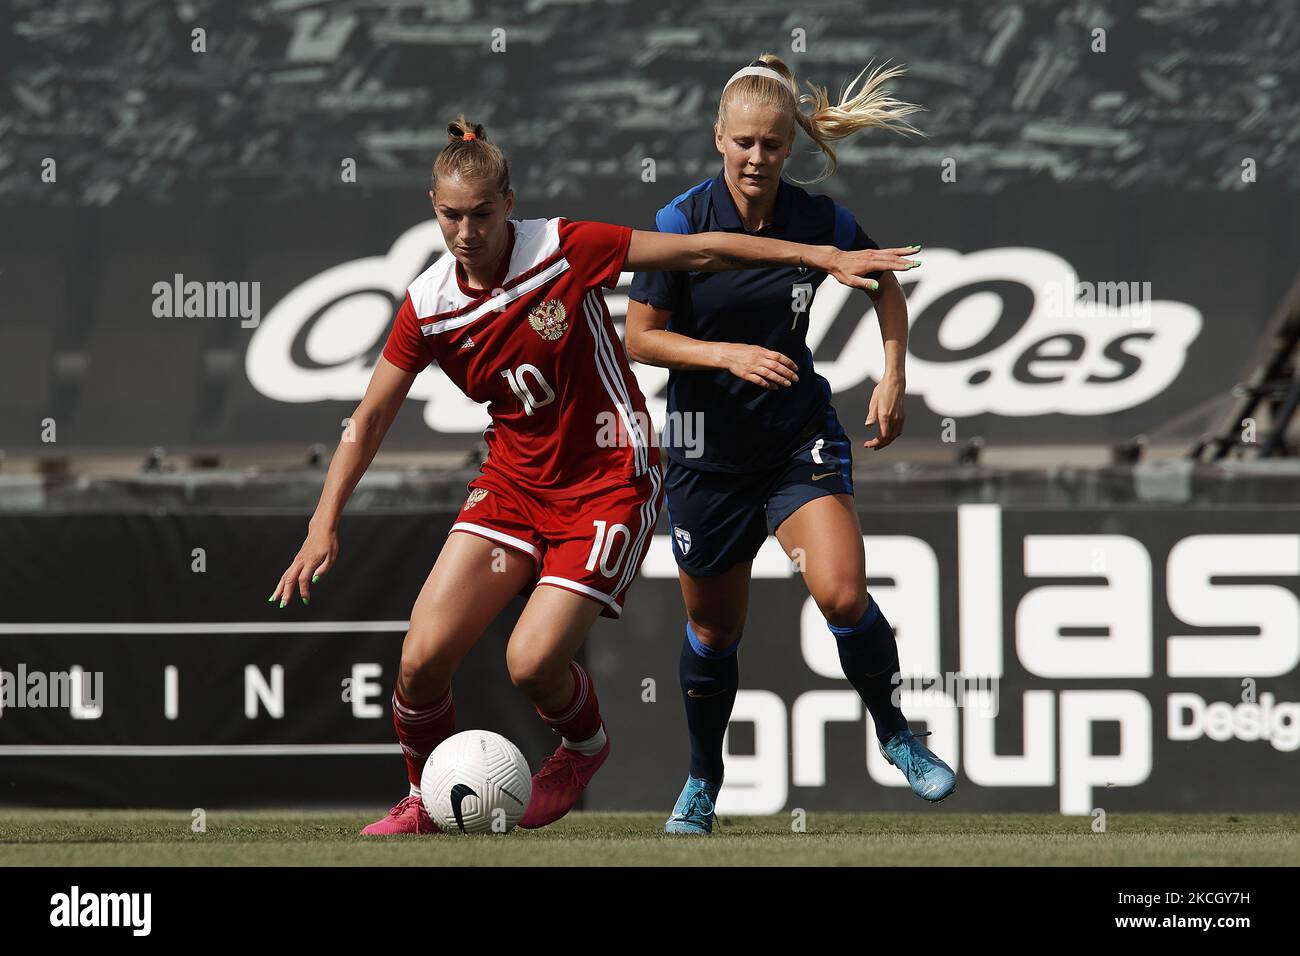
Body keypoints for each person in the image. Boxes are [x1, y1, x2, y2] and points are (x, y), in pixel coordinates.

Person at [267, 114, 917, 834]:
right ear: (433, 208)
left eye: (482, 214)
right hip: (513, 487)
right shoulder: (428, 306)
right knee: (420, 662)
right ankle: (423, 800)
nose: (466, 231)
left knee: (530, 663)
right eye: (451, 215)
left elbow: (698, 251)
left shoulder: (563, 247)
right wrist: (323, 523)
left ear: (509, 203)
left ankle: (583, 747)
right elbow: (371, 416)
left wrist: (816, 257)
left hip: (612, 478)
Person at [625, 56, 956, 835]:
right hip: (705, 456)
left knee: (841, 592)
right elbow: (641, 339)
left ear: (789, 148)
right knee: (714, 631)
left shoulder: (822, 220)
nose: (755, 158)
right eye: (742, 142)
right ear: (717, 137)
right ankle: (703, 781)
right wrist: (726, 355)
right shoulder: (681, 221)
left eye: (772, 145)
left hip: (794, 442)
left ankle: (897, 734)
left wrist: (893, 374)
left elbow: (882, 280)